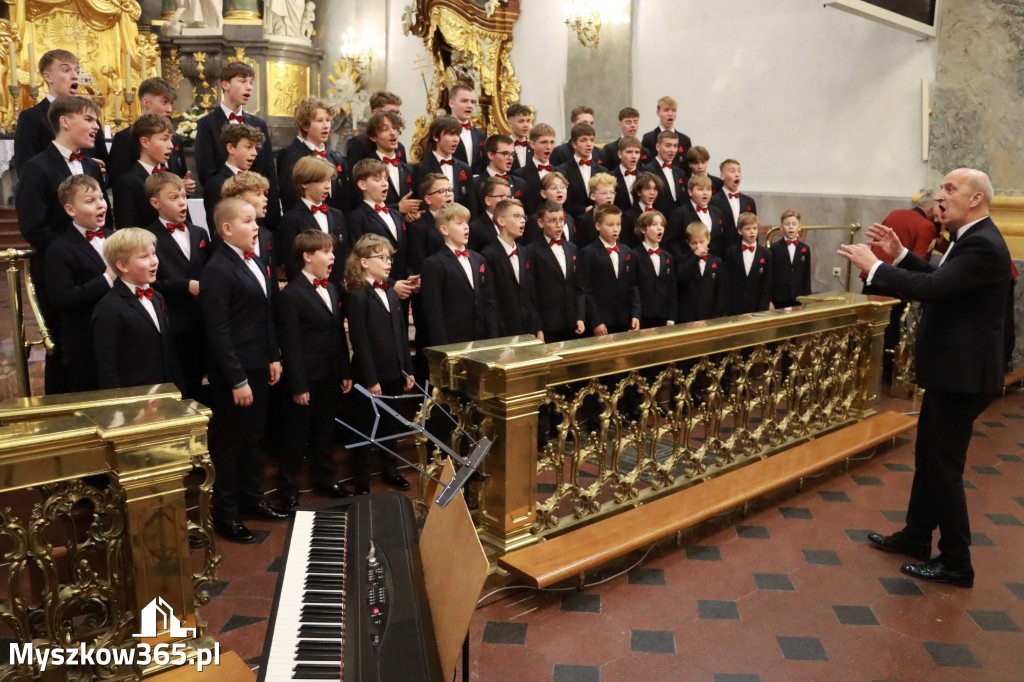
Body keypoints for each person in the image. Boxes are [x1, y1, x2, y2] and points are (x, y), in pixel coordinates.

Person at [838, 168, 1012, 588]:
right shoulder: (970, 238)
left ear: (975, 199)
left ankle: (956, 560)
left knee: (943, 467)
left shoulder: (984, 244)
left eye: (950, 189)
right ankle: (917, 536)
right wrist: (898, 255)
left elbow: (932, 289)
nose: (939, 196)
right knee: (929, 458)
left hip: (964, 376)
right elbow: (939, 279)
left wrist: (876, 267)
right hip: (952, 372)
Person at [200, 197, 288, 543]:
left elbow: (264, 313)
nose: (256, 227)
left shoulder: (256, 259)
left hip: (258, 363)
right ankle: (226, 513)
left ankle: (253, 499)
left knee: (253, 439)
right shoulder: (217, 269)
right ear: (226, 229)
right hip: (233, 372)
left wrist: (274, 356)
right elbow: (218, 331)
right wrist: (237, 379)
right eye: (249, 221)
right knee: (230, 443)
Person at [275, 229, 353, 509]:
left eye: (332, 251)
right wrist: (298, 386)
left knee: (325, 430)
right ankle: (288, 489)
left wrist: (344, 371)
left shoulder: (331, 288)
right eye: (326, 252)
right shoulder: (292, 295)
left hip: (330, 374)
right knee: (296, 435)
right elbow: (291, 345)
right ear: (307, 256)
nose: (333, 257)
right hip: (306, 377)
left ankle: (326, 479)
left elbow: (337, 336)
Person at [344, 234, 415, 493]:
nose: (388, 263)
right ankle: (361, 478)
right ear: (364, 262)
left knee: (390, 424)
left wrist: (407, 368)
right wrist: (371, 379)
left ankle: (390, 470)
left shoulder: (392, 294)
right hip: (369, 374)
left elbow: (400, 334)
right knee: (365, 426)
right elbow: (360, 341)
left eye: (390, 258)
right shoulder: (357, 295)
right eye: (381, 258)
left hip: (394, 370)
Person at [143, 172, 211, 401]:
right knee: (181, 384)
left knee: (204, 381)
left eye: (183, 196)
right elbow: (149, 282)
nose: (182, 202)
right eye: (173, 197)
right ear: (155, 202)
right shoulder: (149, 237)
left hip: (202, 320)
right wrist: (184, 286)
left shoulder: (199, 233)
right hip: (173, 322)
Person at [44, 175, 115, 392]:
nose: (100, 205)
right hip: (86, 340)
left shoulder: (115, 237)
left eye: (101, 198)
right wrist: (107, 279)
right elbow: (63, 298)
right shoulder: (60, 249)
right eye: (89, 201)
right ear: (70, 210)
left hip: (119, 332)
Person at [93, 228, 181, 391]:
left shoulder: (157, 297)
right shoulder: (109, 308)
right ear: (122, 265)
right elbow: (107, 367)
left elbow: (168, 350)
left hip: (165, 392)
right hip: (135, 396)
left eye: (153, 254)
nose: (154, 261)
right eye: (144, 257)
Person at [194, 62, 280, 228]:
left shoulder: (258, 123)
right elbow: (206, 172)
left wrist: (273, 218)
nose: (249, 87)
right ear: (225, 85)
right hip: (226, 206)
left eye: (251, 83)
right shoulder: (208, 124)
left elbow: (268, 170)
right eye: (242, 81)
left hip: (259, 210)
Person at [420, 202, 499, 345]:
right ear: (444, 229)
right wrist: (443, 349)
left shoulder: (478, 259)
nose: (466, 227)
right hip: (454, 341)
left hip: (482, 339)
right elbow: (434, 312)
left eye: (467, 222)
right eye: (459, 223)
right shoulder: (433, 264)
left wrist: (493, 339)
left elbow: (490, 301)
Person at [15, 49, 108, 172]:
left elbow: (105, 165)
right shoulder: (31, 117)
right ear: (48, 76)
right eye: (66, 70)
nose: (75, 76)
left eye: (77, 71)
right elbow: (26, 168)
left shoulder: (90, 117)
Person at [108, 77, 191, 187]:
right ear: (146, 102)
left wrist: (184, 187)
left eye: (171, 103)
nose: (169, 109)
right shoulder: (125, 138)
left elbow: (179, 174)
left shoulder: (175, 138)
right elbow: (119, 182)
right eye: (164, 102)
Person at [278, 156, 348, 282]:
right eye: (321, 181)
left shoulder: (337, 215)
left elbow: (343, 253)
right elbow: (292, 263)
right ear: (304, 183)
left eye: (329, 181)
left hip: (336, 288)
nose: (328, 186)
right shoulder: (292, 219)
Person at [277, 96, 351, 213]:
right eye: (320, 120)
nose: (326, 125)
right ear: (305, 125)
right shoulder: (290, 156)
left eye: (328, 120)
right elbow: (289, 198)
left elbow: (344, 200)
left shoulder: (336, 159)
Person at [525, 200, 586, 342]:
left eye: (561, 220)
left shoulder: (572, 248)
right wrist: (537, 327)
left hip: (572, 323)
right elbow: (532, 293)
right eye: (553, 221)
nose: (559, 225)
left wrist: (580, 317)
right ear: (541, 223)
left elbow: (579, 287)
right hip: (548, 325)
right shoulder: (531, 251)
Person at [481, 198, 542, 338]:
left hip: (528, 329)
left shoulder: (525, 252)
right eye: (516, 216)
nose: (522, 221)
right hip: (504, 331)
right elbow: (491, 301)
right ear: (501, 221)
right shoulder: (488, 255)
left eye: (523, 217)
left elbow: (531, 293)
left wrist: (538, 328)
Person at [578, 204, 640, 335]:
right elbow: (586, 290)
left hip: (624, 318)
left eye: (618, 224)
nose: (615, 229)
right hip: (602, 321)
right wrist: (596, 321)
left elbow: (632, 286)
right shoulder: (587, 253)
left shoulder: (627, 251)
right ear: (598, 226)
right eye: (610, 225)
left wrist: (635, 314)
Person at [113, 114, 177, 230]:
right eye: (164, 139)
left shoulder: (171, 177)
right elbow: (128, 230)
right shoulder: (127, 183)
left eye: (171, 139)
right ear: (145, 142)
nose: (171, 146)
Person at [203, 123, 265, 225]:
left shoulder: (256, 179)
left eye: (255, 147)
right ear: (231, 148)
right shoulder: (216, 184)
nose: (255, 153)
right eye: (249, 147)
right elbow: (217, 226)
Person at [412, 116, 474, 206]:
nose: (456, 139)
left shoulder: (465, 168)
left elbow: (471, 203)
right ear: (436, 137)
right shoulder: (421, 168)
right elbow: (421, 202)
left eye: (458, 135)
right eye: (451, 134)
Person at [632, 210, 676, 328]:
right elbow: (633, 287)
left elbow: (672, 288)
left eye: (662, 225)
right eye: (654, 224)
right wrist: (635, 315)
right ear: (643, 229)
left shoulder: (668, 257)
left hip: (663, 314)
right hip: (643, 316)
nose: (659, 228)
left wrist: (671, 317)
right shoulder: (634, 255)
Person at [676, 222, 727, 323]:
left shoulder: (717, 261)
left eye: (701, 242)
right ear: (687, 242)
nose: (698, 246)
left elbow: (720, 290)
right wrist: (695, 257)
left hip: (709, 315)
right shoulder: (683, 260)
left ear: (708, 240)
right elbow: (680, 279)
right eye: (693, 243)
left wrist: (717, 315)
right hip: (687, 317)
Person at [667, 175, 727, 258]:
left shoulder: (717, 212)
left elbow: (720, 239)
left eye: (708, 189)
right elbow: (671, 241)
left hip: (712, 264)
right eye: (700, 189)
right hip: (689, 262)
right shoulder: (680, 213)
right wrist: (682, 259)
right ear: (690, 192)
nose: (705, 192)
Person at [725, 212, 773, 315]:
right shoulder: (731, 253)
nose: (752, 232)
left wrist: (763, 308)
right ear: (739, 231)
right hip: (735, 307)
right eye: (747, 229)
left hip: (757, 306)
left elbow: (767, 284)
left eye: (755, 228)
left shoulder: (766, 254)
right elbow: (727, 282)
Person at [557, 122, 606, 219]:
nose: (589, 144)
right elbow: (563, 203)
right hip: (574, 221)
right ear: (574, 144)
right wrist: (583, 210)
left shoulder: (602, 170)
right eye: (583, 140)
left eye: (592, 140)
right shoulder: (562, 171)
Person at [346, 90, 408, 164]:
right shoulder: (358, 144)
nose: (395, 118)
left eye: (397, 113)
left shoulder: (400, 147)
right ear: (376, 113)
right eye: (391, 113)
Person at [471, 134, 524, 217]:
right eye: (505, 153)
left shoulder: (520, 183)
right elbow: (473, 216)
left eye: (512, 154)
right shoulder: (475, 184)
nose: (510, 158)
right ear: (491, 155)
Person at [513, 122, 557, 216]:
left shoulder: (560, 172)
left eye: (552, 142)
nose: (548, 147)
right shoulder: (520, 175)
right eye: (544, 142)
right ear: (532, 145)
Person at [770, 210, 812, 308]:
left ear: (799, 227)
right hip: (779, 299)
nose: (791, 227)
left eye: (794, 224)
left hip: (798, 299)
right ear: (781, 227)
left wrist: (807, 299)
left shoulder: (805, 249)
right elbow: (770, 276)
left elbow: (807, 276)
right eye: (787, 224)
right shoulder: (774, 248)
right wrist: (769, 300)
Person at [640, 130, 688, 216]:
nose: (672, 150)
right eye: (668, 145)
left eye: (675, 146)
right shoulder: (646, 171)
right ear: (658, 147)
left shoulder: (680, 173)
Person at [711, 159, 757, 234]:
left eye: (739, 171)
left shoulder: (749, 201)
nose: (737, 174)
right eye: (732, 171)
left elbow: (754, 227)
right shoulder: (713, 201)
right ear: (722, 176)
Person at [449, 83, 487, 174]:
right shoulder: (442, 131)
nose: (470, 105)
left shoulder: (480, 134)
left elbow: (484, 164)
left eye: (473, 102)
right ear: (451, 103)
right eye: (464, 101)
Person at [468, 176, 511, 252]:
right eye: (501, 196)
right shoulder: (475, 228)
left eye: (509, 197)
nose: (507, 201)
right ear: (488, 200)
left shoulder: (513, 222)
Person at [610, 135, 643, 212]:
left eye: (637, 152)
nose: (634, 156)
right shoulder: (611, 177)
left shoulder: (644, 178)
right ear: (620, 154)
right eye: (629, 152)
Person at [506, 102, 534, 170]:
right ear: (510, 124)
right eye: (521, 121)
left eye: (528, 121)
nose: (526, 125)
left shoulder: (534, 148)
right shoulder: (503, 148)